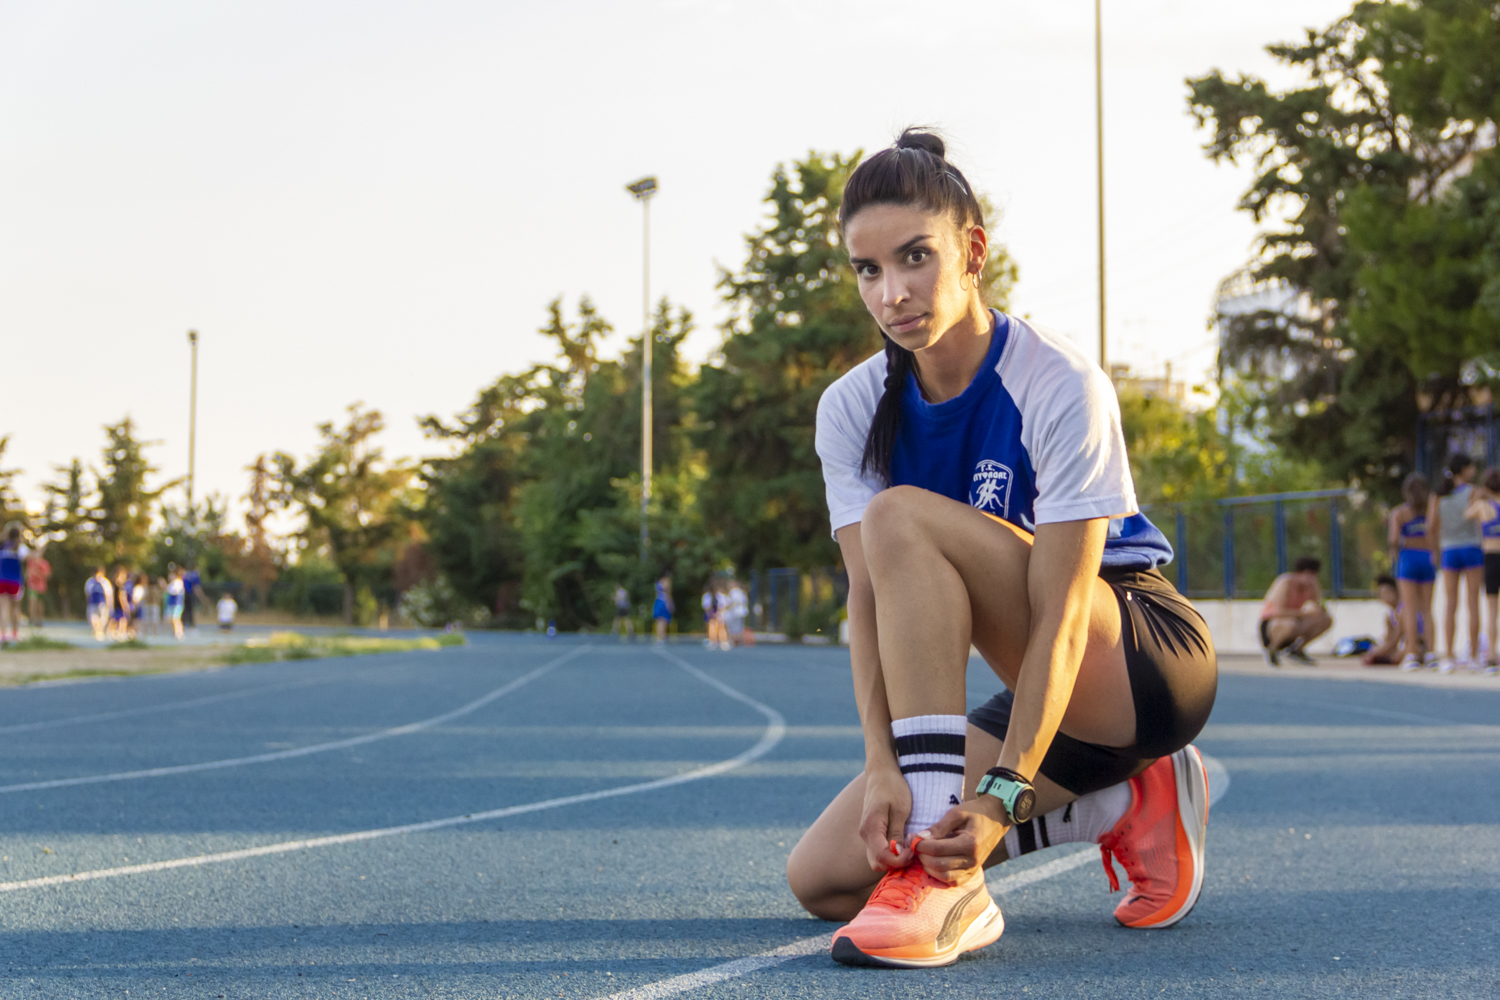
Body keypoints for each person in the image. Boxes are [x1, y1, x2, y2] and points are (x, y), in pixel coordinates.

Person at [786, 130, 1216, 969]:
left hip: (1135, 663)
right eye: (868, 270)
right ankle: (1122, 803)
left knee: (901, 517)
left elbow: (1058, 613)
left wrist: (1004, 792)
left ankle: (952, 891)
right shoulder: (850, 409)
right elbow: (867, 602)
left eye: (916, 257)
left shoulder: (1059, 382)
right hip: (1045, 702)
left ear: (973, 249)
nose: (893, 292)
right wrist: (882, 763)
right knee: (827, 880)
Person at [1429, 453, 1483, 672]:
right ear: (1464, 469)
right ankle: (1473, 655)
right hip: (1471, 548)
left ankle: (1448, 655)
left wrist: (1435, 551)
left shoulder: (1439, 495)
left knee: (1450, 604)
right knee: (1473, 603)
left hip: (1449, 549)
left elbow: (1431, 525)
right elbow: (1479, 519)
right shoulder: (1473, 492)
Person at [1389, 472, 1436, 669]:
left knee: (1409, 608)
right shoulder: (1431, 512)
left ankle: (1412, 652)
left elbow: (1393, 539)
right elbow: (1435, 534)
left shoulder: (1400, 513)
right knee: (1427, 608)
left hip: (1408, 558)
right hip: (1427, 557)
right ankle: (1432, 652)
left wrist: (1394, 555)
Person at [1258, 557, 1332, 666]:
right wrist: (1304, 614)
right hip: (1274, 622)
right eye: (1308, 574)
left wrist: (1318, 601)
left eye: (1314, 575)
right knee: (1291, 624)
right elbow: (1278, 611)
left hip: (1295, 620)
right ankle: (1272, 649)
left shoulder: (1311, 586)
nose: (1311, 578)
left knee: (1325, 620)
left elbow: (1319, 607)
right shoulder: (1286, 583)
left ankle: (1297, 650)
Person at [1465, 466, 1500, 673]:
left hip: (1491, 556)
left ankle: (1491, 655)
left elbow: (1467, 514)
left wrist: (1477, 497)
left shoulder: (1482, 506)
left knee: (1492, 610)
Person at [1361, 575, 1405, 666]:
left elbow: (1394, 642)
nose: (1383, 597)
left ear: (1395, 592)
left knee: (1401, 654)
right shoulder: (1390, 616)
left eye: (1386, 593)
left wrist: (1375, 654)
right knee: (1377, 649)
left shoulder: (1403, 611)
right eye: (1381, 594)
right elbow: (1389, 641)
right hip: (1400, 647)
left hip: (1415, 647)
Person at [0, 524, 26, 645]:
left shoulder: (3, 547)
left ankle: (3, 634)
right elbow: (34, 555)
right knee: (15, 608)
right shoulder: (19, 547)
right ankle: (15, 634)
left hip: (2, 580)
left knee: (3, 608)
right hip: (15, 581)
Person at [24, 545, 51, 629]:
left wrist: (40, 572)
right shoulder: (30, 562)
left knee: (40, 605)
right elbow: (27, 574)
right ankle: (31, 620)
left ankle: (39, 621)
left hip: (41, 587)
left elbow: (48, 575)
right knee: (32, 602)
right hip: (32, 586)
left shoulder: (44, 563)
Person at [85, 566, 112, 641]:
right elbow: (87, 594)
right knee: (93, 618)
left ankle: (100, 631)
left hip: (102, 604)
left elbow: (108, 595)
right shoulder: (90, 582)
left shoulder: (105, 582)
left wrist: (109, 605)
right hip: (93, 603)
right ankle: (95, 631)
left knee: (102, 619)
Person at [108, 567, 134, 641]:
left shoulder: (112, 585)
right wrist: (125, 606)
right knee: (123, 619)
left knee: (114, 619)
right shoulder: (121, 587)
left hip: (114, 605)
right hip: (119, 606)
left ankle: (111, 631)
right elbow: (122, 597)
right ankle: (121, 632)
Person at [164, 567, 186, 640]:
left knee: (175, 618)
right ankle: (174, 631)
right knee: (170, 618)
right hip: (171, 603)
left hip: (177, 603)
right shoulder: (172, 582)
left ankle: (179, 632)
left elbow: (174, 591)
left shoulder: (178, 582)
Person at [652, 572, 674, 644]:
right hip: (663, 601)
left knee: (659, 621)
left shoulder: (658, 582)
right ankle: (661, 638)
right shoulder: (666, 581)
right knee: (663, 620)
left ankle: (659, 637)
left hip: (658, 601)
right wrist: (670, 602)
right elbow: (668, 592)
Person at [181, 565, 201, 629]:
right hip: (189, 593)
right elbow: (196, 587)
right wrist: (201, 597)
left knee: (184, 609)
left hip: (183, 593)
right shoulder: (194, 576)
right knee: (191, 609)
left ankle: (183, 622)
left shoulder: (185, 575)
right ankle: (190, 623)